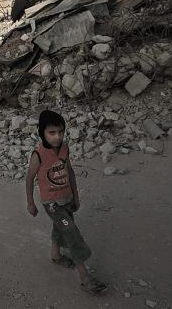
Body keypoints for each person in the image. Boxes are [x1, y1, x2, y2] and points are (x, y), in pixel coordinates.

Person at [25, 109, 107, 295]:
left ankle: (55, 255)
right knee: (71, 232)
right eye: (52, 133)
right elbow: (29, 178)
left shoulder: (64, 148)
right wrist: (31, 202)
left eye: (60, 132)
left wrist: (75, 197)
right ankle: (85, 278)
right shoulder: (38, 155)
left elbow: (69, 171)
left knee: (60, 227)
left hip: (67, 199)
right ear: (42, 133)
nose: (57, 137)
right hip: (52, 204)